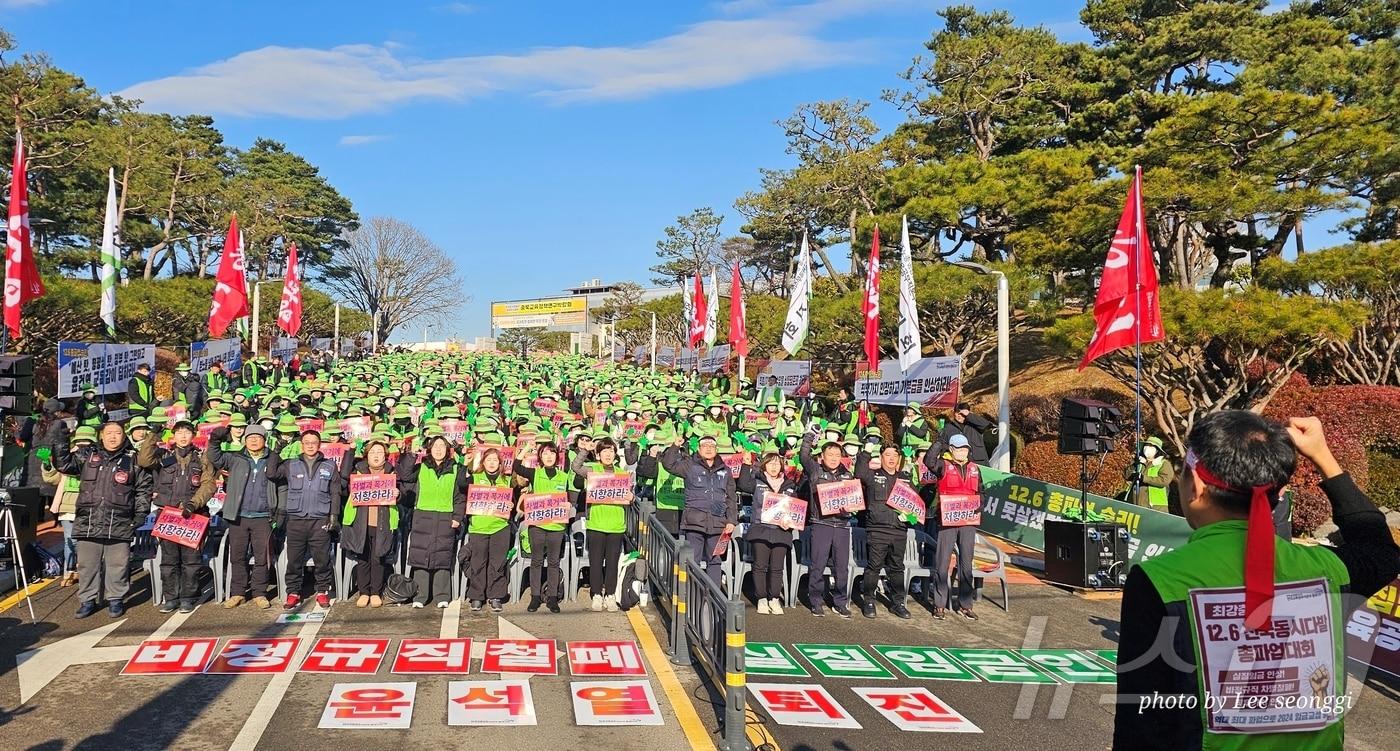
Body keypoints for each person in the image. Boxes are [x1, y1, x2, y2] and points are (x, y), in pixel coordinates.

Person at [1113, 413, 1400, 750]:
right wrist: (1323, 455)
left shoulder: (1160, 579)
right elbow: (1380, 550)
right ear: (1279, 493)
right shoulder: (1328, 571)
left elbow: (1142, 720)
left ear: (1197, 486)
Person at [50, 421, 153, 619]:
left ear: (124, 436)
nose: (113, 437)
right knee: (87, 565)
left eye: (117, 433)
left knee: (118, 565)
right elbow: (63, 464)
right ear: (101, 436)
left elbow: (143, 489)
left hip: (120, 521)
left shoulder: (133, 459)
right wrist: (61, 439)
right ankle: (87, 600)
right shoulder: (88, 454)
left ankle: (116, 599)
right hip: (88, 520)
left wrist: (141, 514)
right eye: (109, 433)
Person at [137, 420, 217, 613]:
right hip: (168, 515)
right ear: (173, 435)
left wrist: (193, 504)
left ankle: (188, 597)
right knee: (169, 560)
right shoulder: (163, 455)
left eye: (187, 432)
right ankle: (171, 597)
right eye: (179, 432)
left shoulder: (201, 457)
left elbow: (208, 484)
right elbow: (144, 460)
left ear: (193, 435)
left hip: (193, 515)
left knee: (191, 561)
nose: (183, 436)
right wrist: (153, 435)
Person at [267, 430, 343, 609]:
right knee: (294, 559)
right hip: (296, 519)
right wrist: (275, 452)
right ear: (301, 445)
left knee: (322, 559)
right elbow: (271, 473)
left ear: (319, 444)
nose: (310, 445)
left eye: (314, 442)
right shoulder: (290, 464)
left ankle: (322, 591)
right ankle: (293, 592)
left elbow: (335, 492)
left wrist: (333, 516)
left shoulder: (329, 466)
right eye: (306, 442)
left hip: (320, 519)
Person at [208, 423, 281, 608]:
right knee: (237, 556)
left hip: (263, 516)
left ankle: (259, 593)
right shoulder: (235, 458)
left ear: (265, 440)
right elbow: (214, 457)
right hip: (238, 516)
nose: (254, 440)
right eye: (250, 437)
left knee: (262, 557)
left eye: (258, 437)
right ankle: (238, 592)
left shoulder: (273, 459)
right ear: (245, 440)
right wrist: (215, 440)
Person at [662, 433, 738, 589]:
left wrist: (731, 520)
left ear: (717, 449)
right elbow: (668, 465)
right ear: (698, 448)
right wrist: (675, 446)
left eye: (712, 446)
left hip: (718, 523)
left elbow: (731, 497)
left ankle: (713, 597)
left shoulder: (726, 470)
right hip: (694, 522)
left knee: (715, 561)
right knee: (692, 561)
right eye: (705, 446)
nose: (708, 449)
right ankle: (692, 594)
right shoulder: (689, 465)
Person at [398, 435, 467, 608]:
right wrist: (412, 455)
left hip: (445, 516)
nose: (438, 449)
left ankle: (442, 595)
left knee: (443, 555)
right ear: (429, 449)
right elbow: (405, 475)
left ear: (448, 450)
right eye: (435, 446)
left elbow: (460, 497)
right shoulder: (422, 466)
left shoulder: (454, 468)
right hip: (423, 515)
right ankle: (420, 595)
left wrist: (457, 518)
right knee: (421, 555)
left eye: (442, 446)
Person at [798, 425, 856, 618]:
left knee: (841, 567)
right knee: (818, 564)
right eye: (830, 454)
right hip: (821, 523)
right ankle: (816, 600)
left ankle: (840, 602)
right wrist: (810, 436)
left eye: (837, 455)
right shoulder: (815, 470)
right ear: (822, 456)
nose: (833, 458)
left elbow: (854, 498)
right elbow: (803, 456)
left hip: (842, 525)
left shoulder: (847, 474)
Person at [922, 433, 981, 620]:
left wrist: (980, 504)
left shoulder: (975, 469)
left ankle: (965, 604)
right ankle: (939, 605)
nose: (963, 452)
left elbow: (982, 491)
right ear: (952, 450)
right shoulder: (942, 465)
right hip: (947, 521)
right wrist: (938, 443)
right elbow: (928, 461)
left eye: (965, 449)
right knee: (942, 563)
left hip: (968, 522)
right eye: (959, 449)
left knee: (966, 564)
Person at [853, 444, 915, 619]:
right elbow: (859, 473)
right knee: (874, 567)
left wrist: (911, 516)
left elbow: (915, 502)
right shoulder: (873, 476)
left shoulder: (905, 478)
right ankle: (869, 602)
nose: (891, 458)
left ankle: (898, 603)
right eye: (887, 455)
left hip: (899, 530)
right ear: (881, 457)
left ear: (899, 458)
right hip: (877, 529)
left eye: (895, 455)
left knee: (897, 568)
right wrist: (866, 452)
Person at [572, 438, 633, 612]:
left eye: (611, 451)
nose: (608, 454)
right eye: (604, 451)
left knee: (612, 563)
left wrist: (632, 497)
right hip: (596, 524)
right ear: (598, 455)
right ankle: (597, 594)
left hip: (616, 524)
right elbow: (575, 467)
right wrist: (585, 450)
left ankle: (610, 595)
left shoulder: (622, 474)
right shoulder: (593, 470)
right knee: (596, 562)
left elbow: (629, 495)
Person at [736, 452, 799, 614]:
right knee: (760, 566)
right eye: (770, 463)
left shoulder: (790, 485)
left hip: (782, 532)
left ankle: (774, 598)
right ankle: (762, 598)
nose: (774, 466)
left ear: (782, 466)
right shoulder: (757, 482)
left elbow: (796, 509)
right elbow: (742, 484)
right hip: (761, 529)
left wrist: (790, 523)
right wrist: (746, 465)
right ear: (764, 466)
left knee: (777, 568)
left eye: (777, 463)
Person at [339, 437, 399, 608]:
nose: (376, 455)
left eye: (380, 452)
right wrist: (351, 450)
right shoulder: (358, 471)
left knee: (378, 558)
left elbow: (403, 492)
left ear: (385, 456)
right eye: (373, 452)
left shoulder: (391, 472)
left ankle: (375, 592)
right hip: (361, 522)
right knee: (363, 558)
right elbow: (344, 474)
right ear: (366, 455)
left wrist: (398, 494)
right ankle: (364, 592)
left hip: (382, 522)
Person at [514, 442, 572, 613]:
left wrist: (568, 505)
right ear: (540, 457)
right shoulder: (535, 473)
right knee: (536, 561)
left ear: (557, 457)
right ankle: (535, 597)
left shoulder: (563, 476)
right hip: (537, 525)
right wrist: (526, 448)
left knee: (554, 562)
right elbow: (517, 466)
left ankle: (552, 598)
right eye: (545, 453)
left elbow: (568, 498)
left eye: (552, 453)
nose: (549, 457)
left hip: (556, 526)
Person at [39, 425, 96, 587]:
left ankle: (86, 570)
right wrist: (47, 464)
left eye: (86, 442)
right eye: (79, 442)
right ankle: (69, 571)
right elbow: (53, 479)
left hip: (90, 504)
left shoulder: (98, 459)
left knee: (87, 541)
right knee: (69, 540)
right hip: (67, 505)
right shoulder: (67, 457)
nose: (82, 445)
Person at [463, 447, 514, 613]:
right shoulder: (475, 478)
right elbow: (461, 484)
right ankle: (477, 596)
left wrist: (511, 505)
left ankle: (495, 596)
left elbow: (515, 501)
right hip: (479, 527)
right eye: (488, 460)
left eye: (495, 460)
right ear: (483, 462)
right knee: (478, 563)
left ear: (500, 463)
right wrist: (467, 464)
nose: (492, 463)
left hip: (500, 527)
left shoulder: (506, 480)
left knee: (497, 563)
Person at [1123, 436, 1175, 511]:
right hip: (1135, 503)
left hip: (1155, 506)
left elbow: (1164, 480)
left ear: (1157, 450)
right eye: (1146, 445)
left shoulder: (1164, 464)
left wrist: (1144, 478)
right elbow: (1127, 475)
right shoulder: (1139, 461)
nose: (1147, 448)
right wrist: (1134, 465)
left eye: (1151, 446)